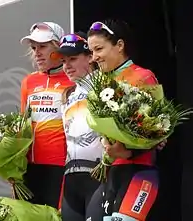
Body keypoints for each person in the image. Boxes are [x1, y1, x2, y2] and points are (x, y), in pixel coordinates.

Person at [86, 19, 166, 221]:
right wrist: (108, 144)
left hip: (140, 171)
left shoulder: (143, 76)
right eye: (91, 51)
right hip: (113, 172)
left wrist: (128, 151)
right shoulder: (101, 82)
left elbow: (159, 131)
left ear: (120, 45)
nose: (93, 58)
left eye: (98, 49)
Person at [50, 31, 104, 221]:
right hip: (71, 179)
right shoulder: (67, 96)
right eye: (64, 61)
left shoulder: (106, 87)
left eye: (72, 59)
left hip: (99, 177)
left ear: (90, 57)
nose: (67, 66)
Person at [20, 22, 74, 209]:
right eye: (34, 48)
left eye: (43, 46)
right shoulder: (29, 81)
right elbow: (22, 125)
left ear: (58, 46)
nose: (37, 52)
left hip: (61, 166)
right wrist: (15, 165)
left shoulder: (73, 80)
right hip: (30, 167)